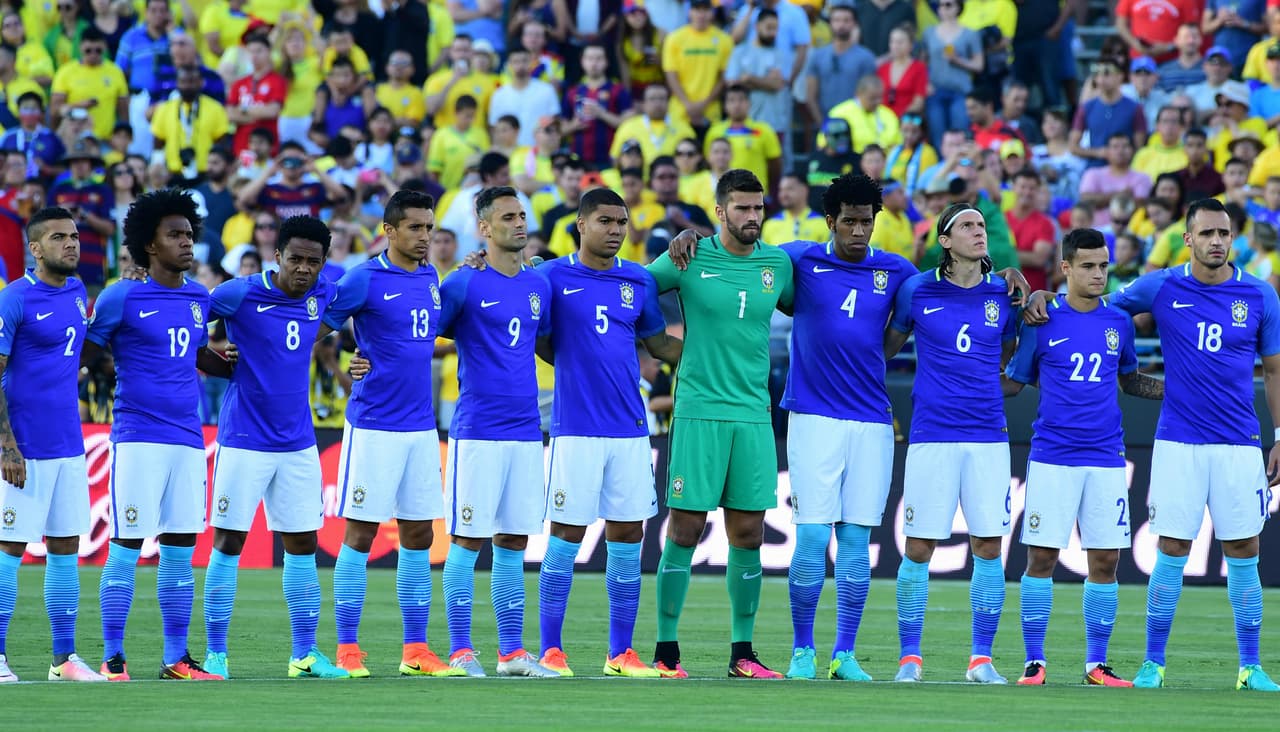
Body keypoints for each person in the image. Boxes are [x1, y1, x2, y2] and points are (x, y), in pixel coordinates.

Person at [1027, 198, 1280, 692]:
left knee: (1245, 548)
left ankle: (1251, 666)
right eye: (1206, 233)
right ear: (1187, 238)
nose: (1216, 242)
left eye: (1224, 234)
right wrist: (1047, 302)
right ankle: (1153, 663)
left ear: (1233, 239)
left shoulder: (1259, 295)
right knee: (1172, 547)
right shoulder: (1161, 285)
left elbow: (1273, 369)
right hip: (1177, 441)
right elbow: (1095, 309)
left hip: (1239, 442)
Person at [645, 169, 795, 679]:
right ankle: (666, 652)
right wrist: (661, 345)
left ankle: (743, 654)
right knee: (686, 528)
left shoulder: (778, 264)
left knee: (749, 532)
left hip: (753, 413)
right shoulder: (689, 256)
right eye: (743, 208)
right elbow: (636, 287)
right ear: (720, 211)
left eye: (759, 208)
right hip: (698, 410)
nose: (753, 217)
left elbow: (817, 301)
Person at [1004, 227, 1164, 688]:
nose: (1099, 275)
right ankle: (1035, 662)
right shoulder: (1041, 317)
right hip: (1053, 456)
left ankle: (1097, 663)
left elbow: (1131, 380)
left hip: (1106, 459)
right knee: (1041, 559)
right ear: (1067, 268)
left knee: (1106, 562)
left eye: (1104, 266)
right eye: (1089, 266)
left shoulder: (1118, 322)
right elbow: (1016, 379)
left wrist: (1179, 392)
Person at [532, 188, 683, 677]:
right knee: (566, 535)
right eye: (605, 221)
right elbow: (540, 340)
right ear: (580, 223)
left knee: (627, 535)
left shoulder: (637, 280)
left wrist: (719, 352)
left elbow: (659, 343)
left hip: (631, 428)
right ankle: (551, 649)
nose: (616, 229)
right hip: (575, 428)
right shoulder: (551, 276)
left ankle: (620, 653)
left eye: (621, 222)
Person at [85, 189, 232, 682]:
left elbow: (193, 355)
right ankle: (112, 655)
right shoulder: (120, 295)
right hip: (138, 436)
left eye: (189, 234)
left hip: (189, 439)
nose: (187, 243)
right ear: (150, 244)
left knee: (179, 549)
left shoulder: (198, 297)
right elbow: (86, 352)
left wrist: (238, 366)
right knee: (127, 545)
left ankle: (175, 658)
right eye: (175, 235)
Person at [317, 190, 464, 679]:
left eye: (429, 228)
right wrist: (345, 362)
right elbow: (319, 327)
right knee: (358, 534)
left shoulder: (429, 275)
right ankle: (347, 649)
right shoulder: (363, 278)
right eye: (416, 228)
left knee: (419, 534)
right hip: (374, 425)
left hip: (421, 427)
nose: (425, 237)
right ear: (390, 230)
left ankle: (415, 650)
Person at [201, 215, 350, 680]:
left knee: (303, 545)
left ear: (324, 263)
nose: (304, 269)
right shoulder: (238, 293)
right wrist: (219, 363)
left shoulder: (325, 293)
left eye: (313, 262)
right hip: (244, 439)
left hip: (299, 443)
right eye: (296, 259)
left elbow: (362, 307)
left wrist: (360, 355)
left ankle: (304, 653)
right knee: (229, 543)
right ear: (277, 256)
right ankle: (216, 655)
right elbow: (180, 327)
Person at [884, 202, 1017, 685]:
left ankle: (981, 659)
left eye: (982, 225)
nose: (979, 232)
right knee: (919, 546)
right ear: (944, 239)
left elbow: (1005, 353)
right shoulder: (917, 289)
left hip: (987, 434)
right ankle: (910, 658)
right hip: (932, 433)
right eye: (967, 225)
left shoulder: (1004, 292)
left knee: (988, 543)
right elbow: (886, 348)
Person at [435, 186, 558, 678]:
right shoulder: (463, 283)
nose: (519, 223)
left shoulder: (538, 285)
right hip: (478, 430)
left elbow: (543, 340)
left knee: (512, 541)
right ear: (484, 228)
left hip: (527, 430)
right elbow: (425, 336)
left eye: (522, 214)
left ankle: (511, 653)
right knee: (467, 539)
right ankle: (462, 650)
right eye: (508, 216)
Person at [0, 207, 104, 683]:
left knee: (65, 548)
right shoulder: (14, 299)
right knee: (9, 549)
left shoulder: (78, 292)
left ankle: (64, 659)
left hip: (69, 444)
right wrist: (5, 443)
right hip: (24, 448)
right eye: (59, 237)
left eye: (75, 236)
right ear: (35, 248)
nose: (72, 244)